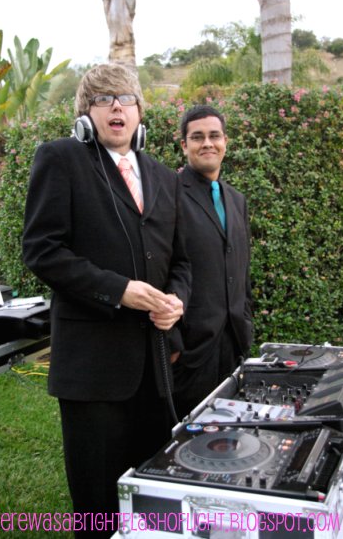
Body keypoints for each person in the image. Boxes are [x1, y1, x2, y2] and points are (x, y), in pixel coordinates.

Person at [22, 63, 191, 537]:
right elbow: (42, 250)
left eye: (126, 98)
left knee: (154, 504)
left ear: (139, 112)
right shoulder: (60, 158)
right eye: (103, 99)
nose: (117, 106)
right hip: (92, 371)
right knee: (98, 507)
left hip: (155, 368)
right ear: (86, 114)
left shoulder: (164, 176)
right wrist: (119, 291)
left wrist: (176, 300)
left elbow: (181, 260)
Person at [172, 105, 253, 420]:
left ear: (225, 142)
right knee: (190, 437)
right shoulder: (170, 194)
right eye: (197, 137)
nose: (207, 143)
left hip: (234, 344)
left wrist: (245, 323)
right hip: (191, 351)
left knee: (232, 433)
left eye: (214, 136)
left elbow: (241, 271)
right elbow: (162, 270)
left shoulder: (237, 200)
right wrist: (174, 342)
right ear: (184, 145)